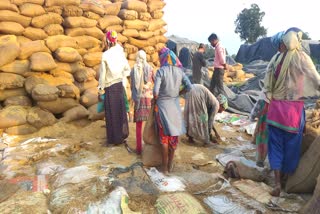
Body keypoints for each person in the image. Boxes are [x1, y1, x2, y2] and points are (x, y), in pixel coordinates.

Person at [264, 28, 320, 196]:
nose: (278, 49)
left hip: (275, 112)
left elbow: (267, 87)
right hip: (293, 114)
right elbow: (316, 79)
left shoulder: (274, 60)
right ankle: (286, 180)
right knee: (292, 147)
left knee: (275, 147)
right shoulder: (302, 57)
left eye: (279, 45)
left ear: (282, 43)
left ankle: (277, 184)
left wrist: (263, 107)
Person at [154, 47, 193, 175]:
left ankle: (164, 168)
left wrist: (157, 99)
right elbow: (189, 87)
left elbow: (155, 93)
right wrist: (178, 93)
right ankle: (170, 166)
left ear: (163, 59)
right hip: (175, 108)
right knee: (173, 139)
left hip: (163, 108)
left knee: (164, 139)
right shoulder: (180, 72)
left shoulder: (161, 71)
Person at [98, 30, 131, 146]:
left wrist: (101, 88)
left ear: (107, 41)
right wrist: (120, 76)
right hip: (119, 85)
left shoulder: (105, 55)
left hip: (110, 87)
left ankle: (113, 139)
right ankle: (122, 136)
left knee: (111, 114)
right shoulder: (121, 53)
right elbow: (128, 70)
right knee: (120, 112)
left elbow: (102, 74)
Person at [130, 50, 154, 155]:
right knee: (151, 123)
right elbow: (155, 81)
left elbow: (132, 87)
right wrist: (148, 86)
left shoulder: (133, 70)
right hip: (149, 99)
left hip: (139, 99)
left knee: (139, 125)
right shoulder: (150, 69)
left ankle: (139, 148)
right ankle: (151, 146)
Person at [249, 92, 270, 167]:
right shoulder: (278, 99)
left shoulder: (263, 100)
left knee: (262, 142)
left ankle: (260, 161)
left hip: (263, 126)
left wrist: (251, 118)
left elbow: (254, 112)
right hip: (274, 126)